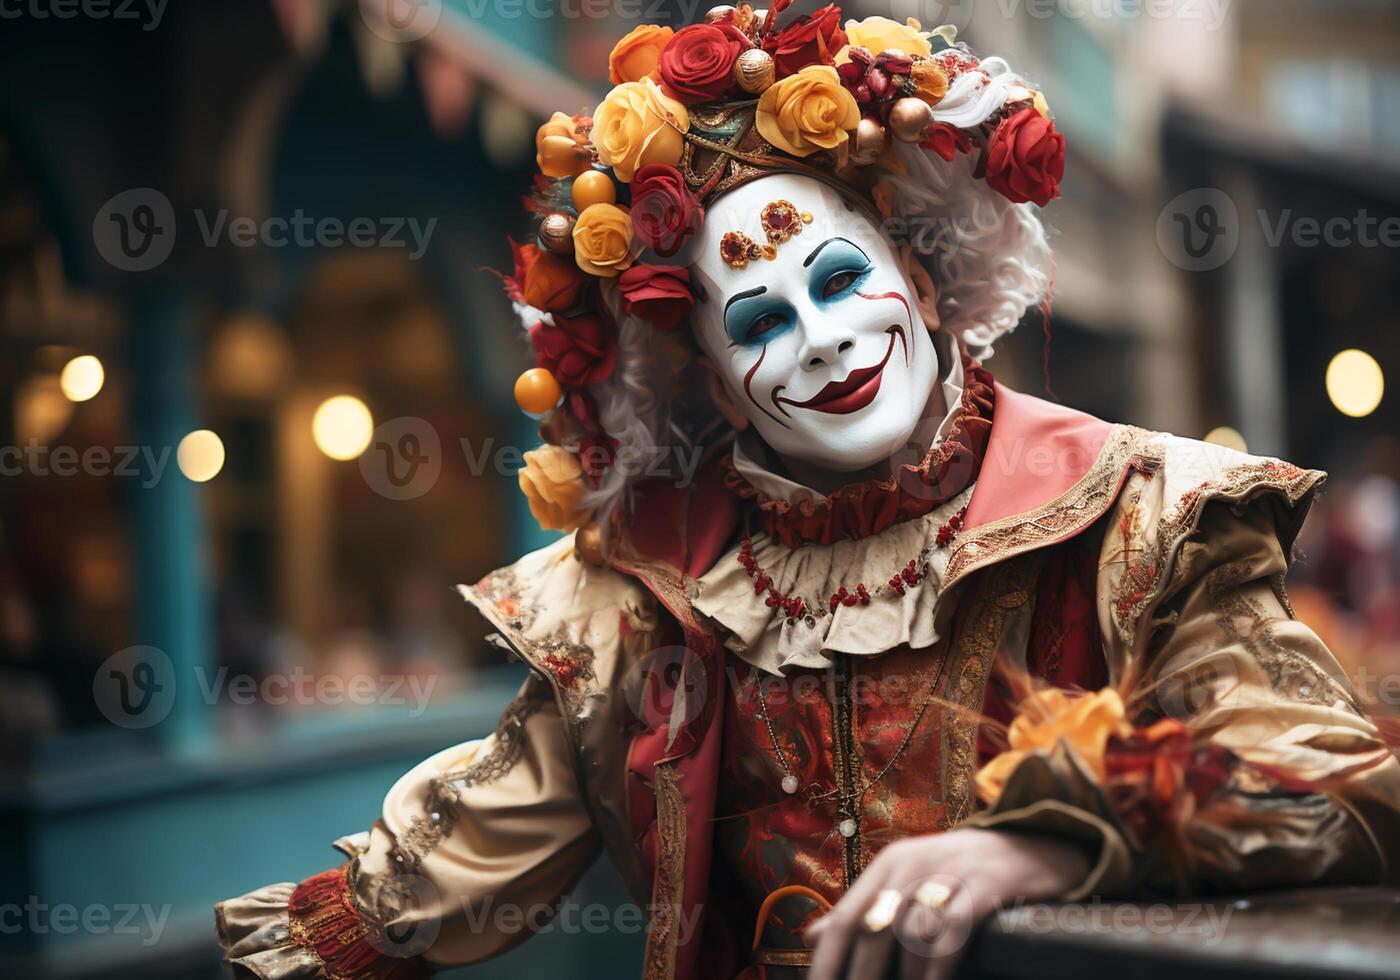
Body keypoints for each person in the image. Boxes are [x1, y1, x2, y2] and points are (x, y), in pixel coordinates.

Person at [216, 7, 1400, 979]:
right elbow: (457, 857)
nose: (824, 340)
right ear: (721, 393)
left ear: (926, 288)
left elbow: (1325, 784)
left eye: (841, 279)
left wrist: (1051, 844)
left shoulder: (1145, 512)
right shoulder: (641, 591)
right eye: (763, 322)